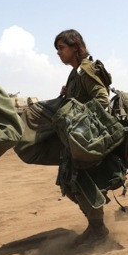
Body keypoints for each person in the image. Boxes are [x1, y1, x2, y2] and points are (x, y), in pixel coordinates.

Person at [54, 29, 119, 241]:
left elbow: (102, 100)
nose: (59, 53)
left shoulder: (85, 69)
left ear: (75, 47)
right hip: (77, 140)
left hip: (87, 139)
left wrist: (82, 120)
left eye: (61, 48)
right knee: (73, 184)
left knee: (82, 183)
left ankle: (98, 230)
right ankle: (96, 226)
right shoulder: (75, 73)